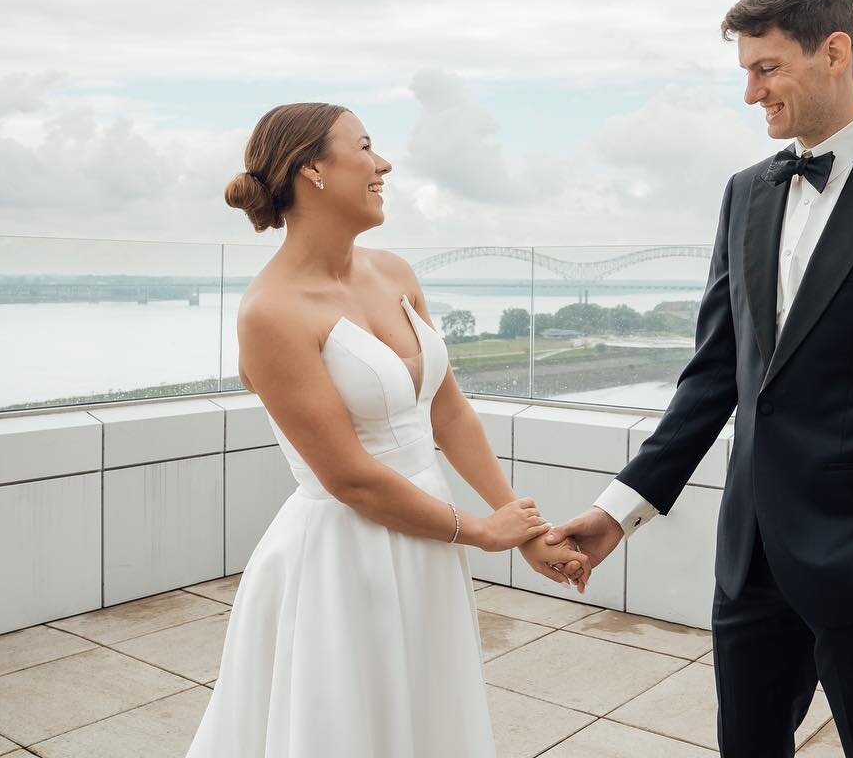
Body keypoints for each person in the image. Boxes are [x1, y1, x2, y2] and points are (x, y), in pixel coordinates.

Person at [548, 0, 853, 757]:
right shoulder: (744, 193)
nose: (751, 93)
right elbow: (713, 375)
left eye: (766, 69)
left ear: (835, 52)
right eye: (746, 73)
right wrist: (617, 511)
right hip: (750, 563)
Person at [187, 102, 583, 757]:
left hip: (427, 543)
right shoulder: (272, 311)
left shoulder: (395, 273)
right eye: (366, 147)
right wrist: (481, 532)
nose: (384, 164)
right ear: (311, 168)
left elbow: (448, 411)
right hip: (343, 559)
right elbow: (348, 476)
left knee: (424, 720)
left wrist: (522, 527)